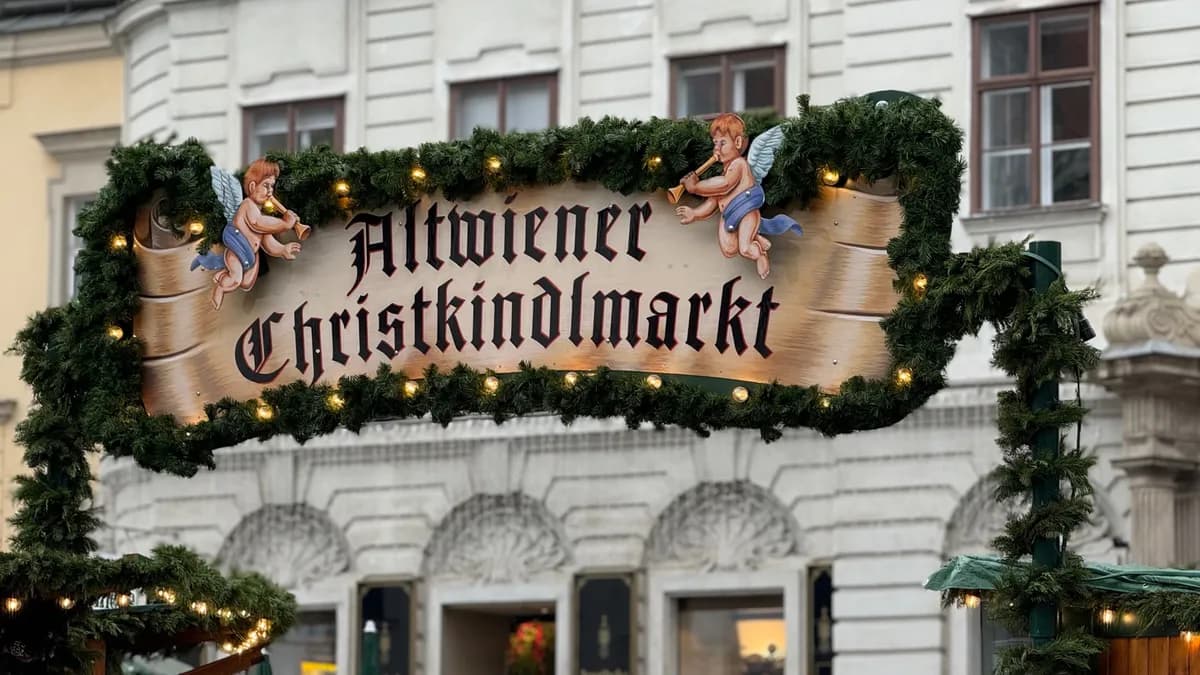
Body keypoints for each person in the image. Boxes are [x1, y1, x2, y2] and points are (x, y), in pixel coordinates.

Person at [675, 113, 800, 279]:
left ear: (738, 142)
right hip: (730, 215)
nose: (717, 148)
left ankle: (759, 254)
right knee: (729, 249)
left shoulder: (739, 164)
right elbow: (713, 201)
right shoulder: (725, 171)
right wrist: (695, 213)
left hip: (746, 212)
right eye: (715, 143)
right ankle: (755, 237)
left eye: (722, 143)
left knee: (745, 248)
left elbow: (725, 184)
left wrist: (696, 187)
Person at [191, 159, 302, 309]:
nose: (270, 191)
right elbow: (258, 223)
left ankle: (224, 274)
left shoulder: (259, 213)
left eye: (272, 186)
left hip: (250, 256)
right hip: (237, 250)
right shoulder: (247, 205)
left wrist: (282, 250)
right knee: (236, 280)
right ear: (252, 186)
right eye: (266, 185)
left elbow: (267, 241)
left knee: (246, 282)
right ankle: (220, 288)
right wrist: (285, 224)